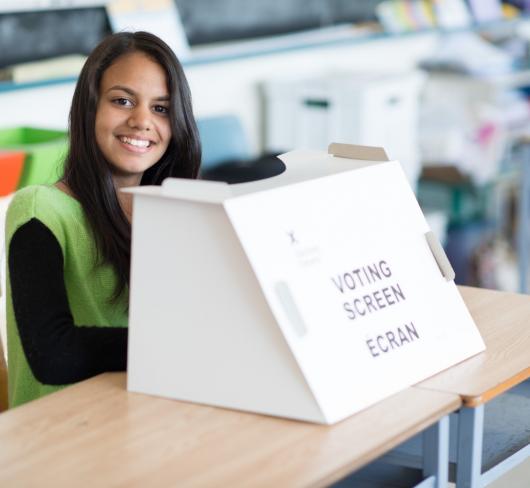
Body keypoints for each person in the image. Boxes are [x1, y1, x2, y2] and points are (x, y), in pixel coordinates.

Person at [5, 31, 201, 407]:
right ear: (89, 107)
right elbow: (53, 354)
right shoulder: (39, 209)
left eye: (161, 108)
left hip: (144, 416)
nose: (142, 120)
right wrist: (174, 343)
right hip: (60, 435)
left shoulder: (174, 211)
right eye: (123, 100)